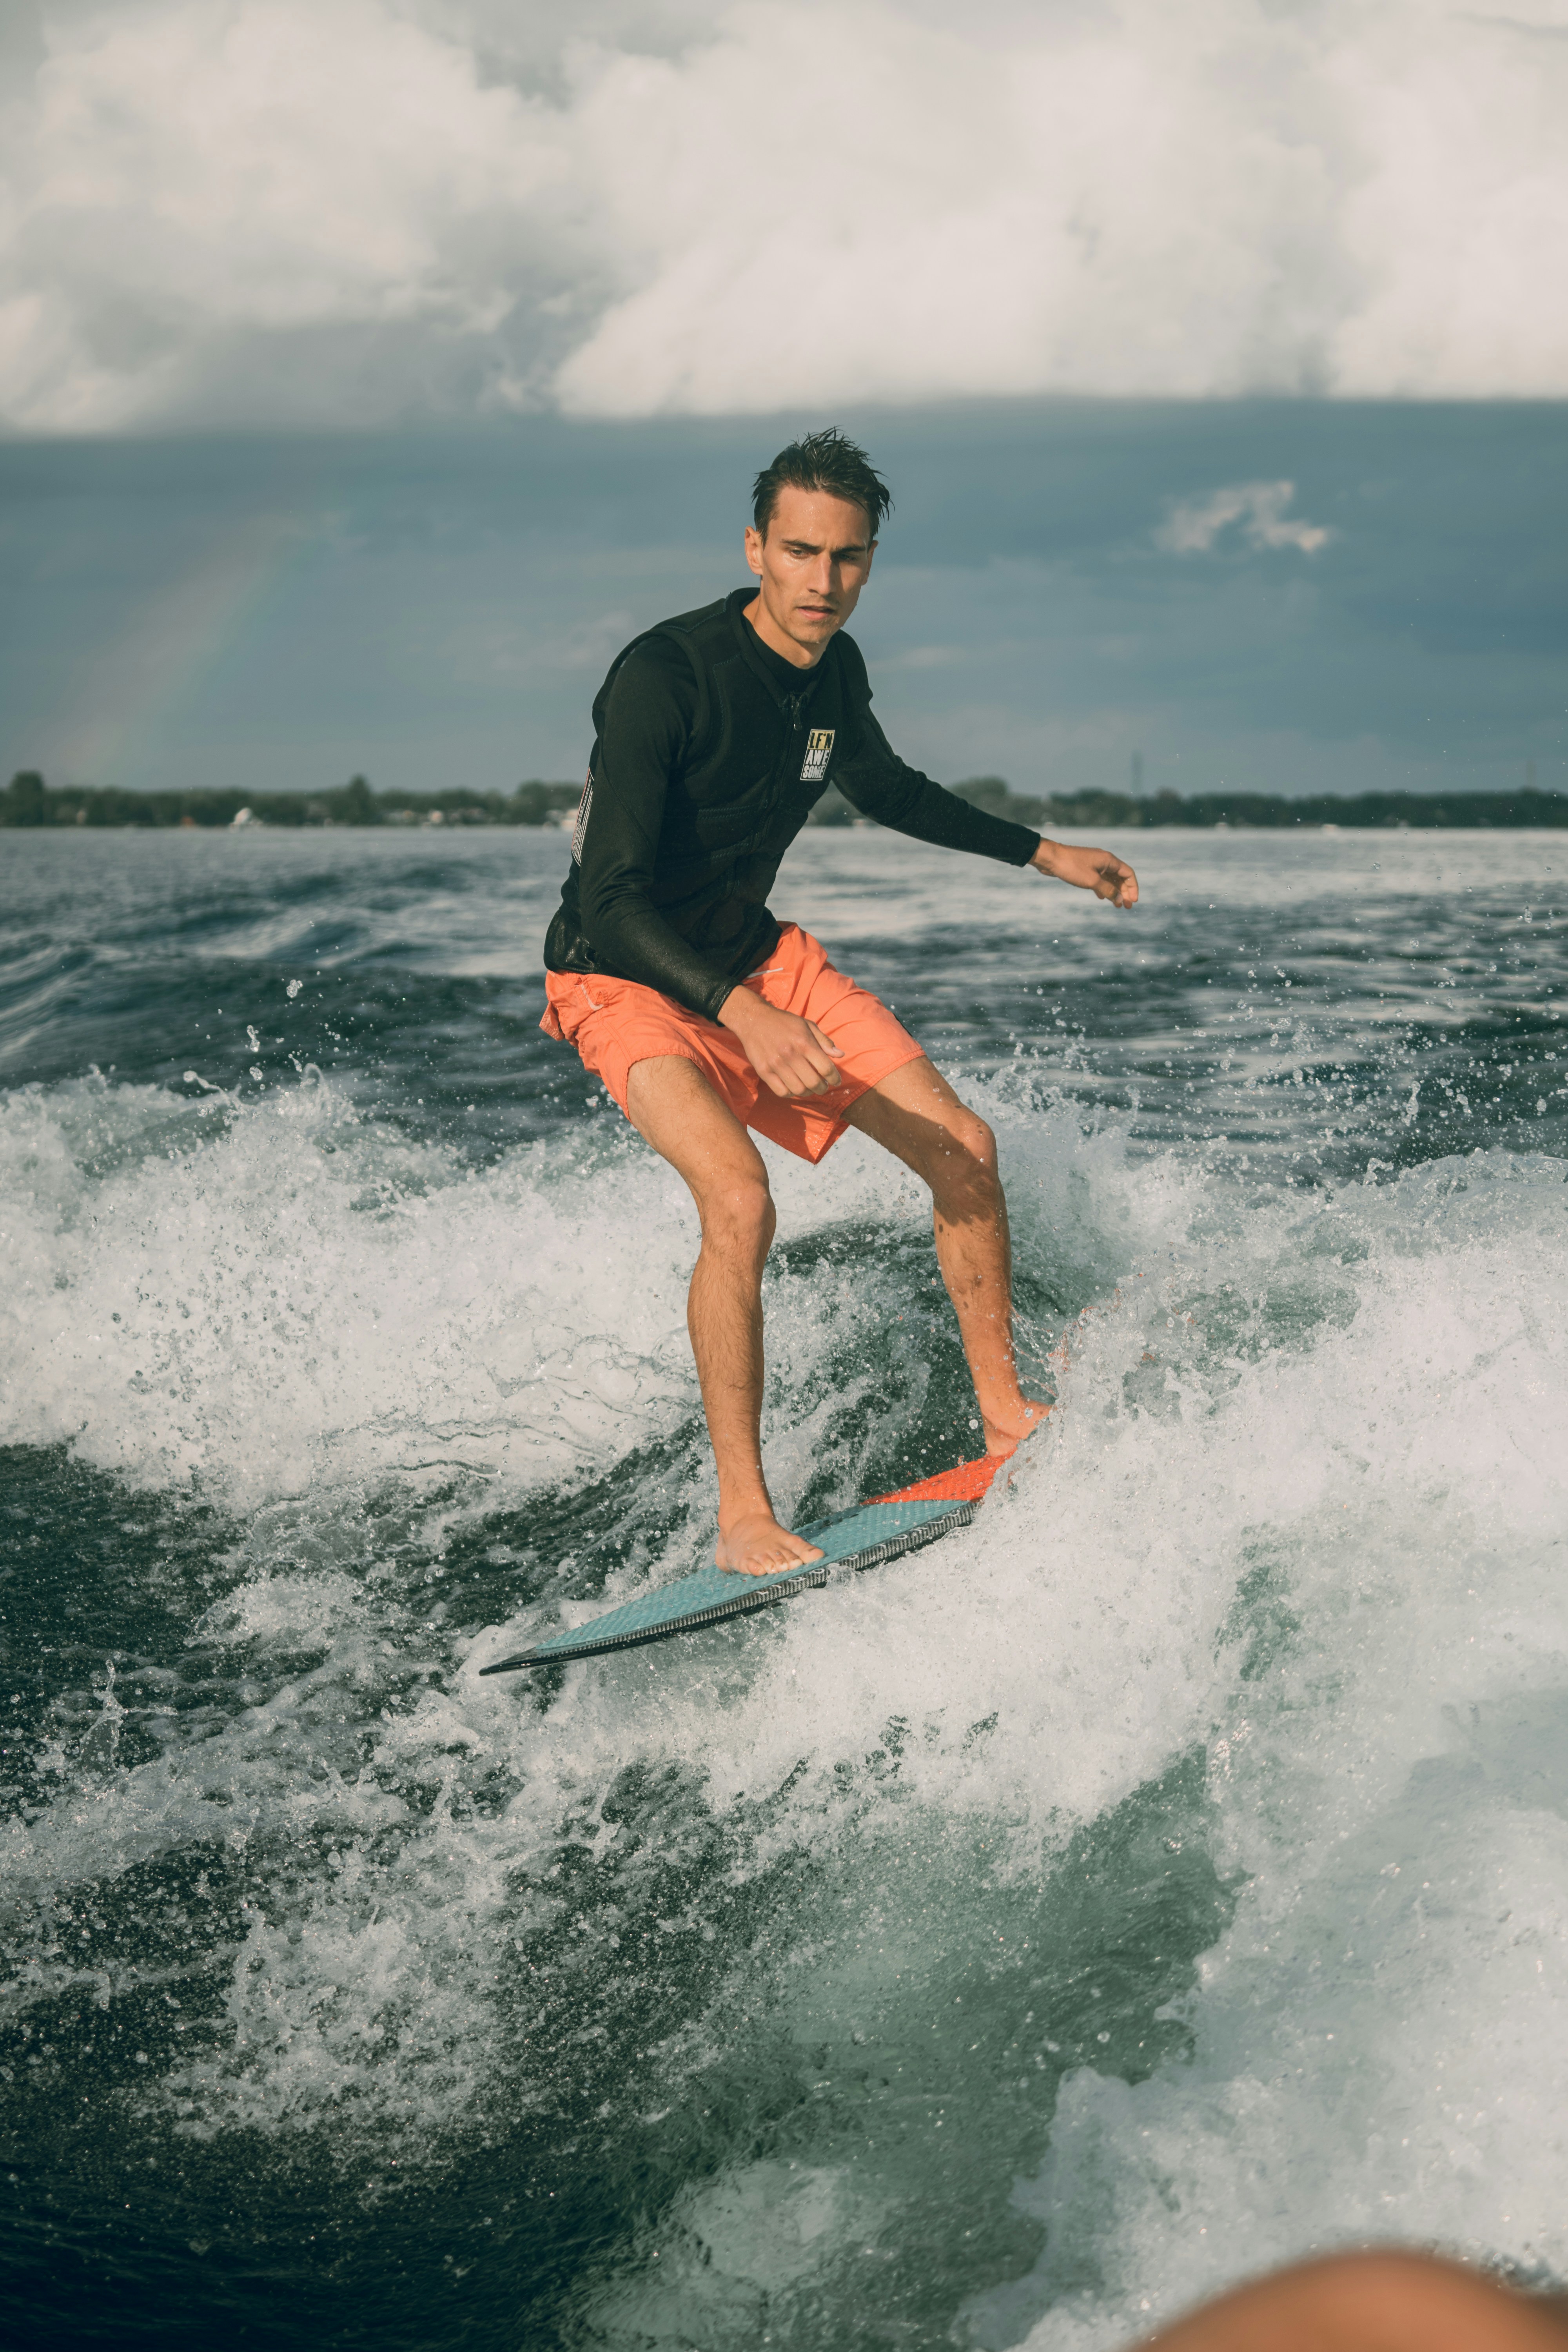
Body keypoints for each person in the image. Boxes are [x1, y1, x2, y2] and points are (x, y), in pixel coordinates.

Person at [541, 428, 1137, 1577]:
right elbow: (610, 900)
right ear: (756, 546)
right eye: (802, 552)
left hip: (757, 962)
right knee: (740, 1201)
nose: (824, 582)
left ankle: (1007, 1419)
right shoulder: (664, 676)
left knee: (964, 1147)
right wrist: (742, 1014)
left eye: (850, 558)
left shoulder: (834, 674)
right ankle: (744, 1519)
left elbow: (886, 787)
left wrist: (1046, 853)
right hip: (623, 977)